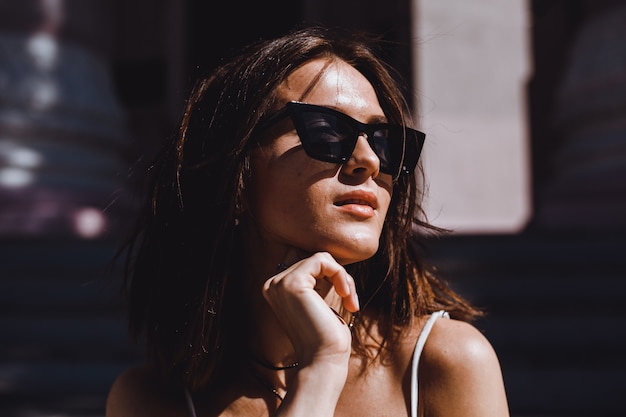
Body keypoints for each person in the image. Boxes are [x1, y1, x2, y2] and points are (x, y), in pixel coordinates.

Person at [106, 25, 510, 417]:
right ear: (236, 170)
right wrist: (319, 372)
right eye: (327, 130)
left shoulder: (444, 362)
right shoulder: (154, 400)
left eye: (385, 141)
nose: (369, 162)